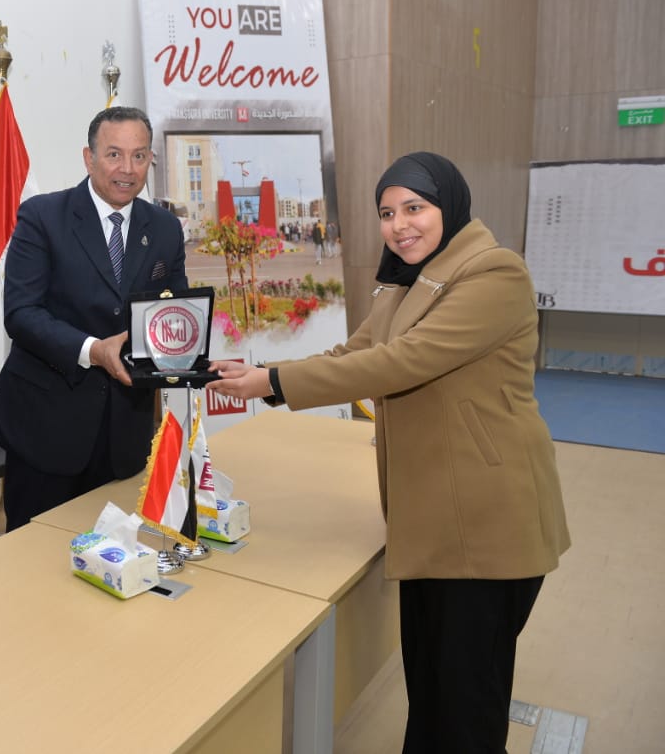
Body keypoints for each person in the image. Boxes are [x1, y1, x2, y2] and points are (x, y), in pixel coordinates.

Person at [205, 151, 570, 754]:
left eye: (414, 208)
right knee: (431, 691)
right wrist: (263, 373)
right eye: (387, 213)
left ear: (448, 206)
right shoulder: (404, 280)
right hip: (430, 519)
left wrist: (274, 384)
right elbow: (352, 356)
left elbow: (402, 362)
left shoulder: (493, 274)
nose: (400, 225)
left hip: (487, 526)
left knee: (467, 710)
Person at [0, 106, 189, 530]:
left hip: (125, 432)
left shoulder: (165, 228)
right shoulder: (42, 217)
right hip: (46, 426)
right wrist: (94, 350)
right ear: (88, 158)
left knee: (115, 550)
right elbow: (21, 314)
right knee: (35, 553)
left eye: (139, 156)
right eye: (114, 155)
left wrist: (187, 343)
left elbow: (176, 310)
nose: (127, 169)